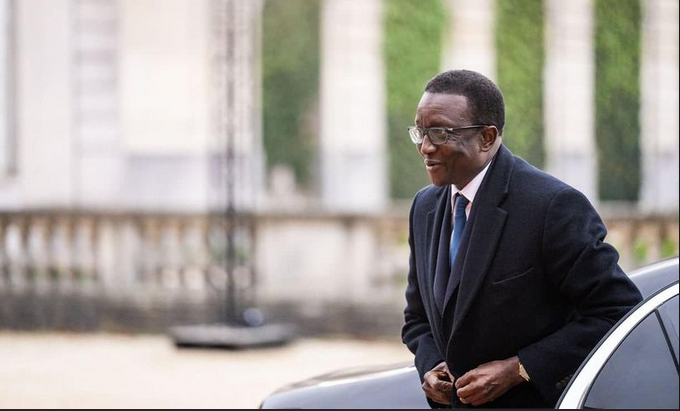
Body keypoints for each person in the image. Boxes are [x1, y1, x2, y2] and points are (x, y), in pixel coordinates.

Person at [401, 69, 642, 408]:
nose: (425, 147)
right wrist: (430, 365)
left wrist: (519, 369)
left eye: (440, 133)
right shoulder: (424, 206)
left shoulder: (552, 206)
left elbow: (617, 311)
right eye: (420, 132)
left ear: (487, 137)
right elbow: (417, 319)